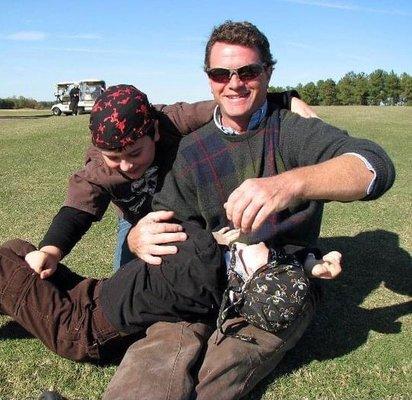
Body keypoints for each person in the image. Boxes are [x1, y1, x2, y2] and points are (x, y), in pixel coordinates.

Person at [106, 20, 395, 400]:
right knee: (160, 350)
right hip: (203, 278)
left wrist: (290, 184)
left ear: (268, 72)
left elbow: (375, 167)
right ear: (209, 79)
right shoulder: (190, 150)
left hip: (277, 281)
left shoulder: (292, 133)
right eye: (221, 73)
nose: (234, 83)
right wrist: (142, 233)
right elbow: (169, 221)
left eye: (248, 71)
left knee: (225, 364)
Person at [26, 84, 312, 274]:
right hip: (136, 218)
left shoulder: (173, 120)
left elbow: (227, 106)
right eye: (114, 157)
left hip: (187, 208)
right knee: (130, 279)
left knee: (204, 260)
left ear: (154, 133)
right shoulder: (98, 167)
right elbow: (76, 211)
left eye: (135, 153)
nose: (125, 165)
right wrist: (51, 250)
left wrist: (286, 99)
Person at [0, 221, 342, 362]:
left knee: (3, 261)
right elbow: (281, 258)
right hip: (91, 292)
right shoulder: (230, 264)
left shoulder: (203, 272)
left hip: (79, 328)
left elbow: (192, 237)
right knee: (19, 248)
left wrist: (219, 239)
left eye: (269, 258)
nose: (267, 244)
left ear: (251, 278)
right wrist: (312, 262)